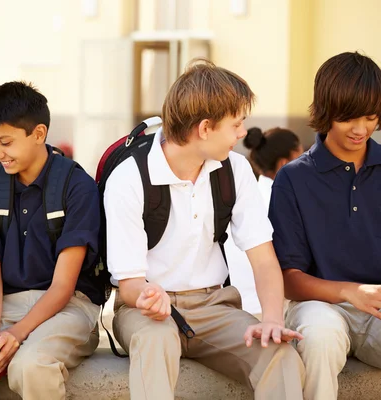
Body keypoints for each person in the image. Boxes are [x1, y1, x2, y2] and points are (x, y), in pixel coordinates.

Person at [104, 60, 305, 400]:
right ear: (205, 128)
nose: (243, 133)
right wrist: (149, 298)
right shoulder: (129, 177)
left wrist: (271, 319)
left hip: (215, 305)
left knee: (280, 355)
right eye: (236, 124)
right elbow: (129, 286)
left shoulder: (235, 170)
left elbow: (264, 258)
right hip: (146, 312)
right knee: (155, 341)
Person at [0, 81, 103, 400]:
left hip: (67, 307)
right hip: (0, 305)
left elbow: (64, 286)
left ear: (39, 134)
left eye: (6, 142)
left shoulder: (77, 187)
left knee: (30, 364)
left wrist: (16, 334)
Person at [269, 51, 381, 400]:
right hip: (318, 307)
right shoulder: (292, 179)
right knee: (318, 337)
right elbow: (289, 280)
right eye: (349, 118)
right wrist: (350, 292)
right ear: (326, 111)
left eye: (371, 116)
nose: (361, 129)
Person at [226, 127, 303, 317]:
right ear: (285, 164)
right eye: (301, 159)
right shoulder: (282, 202)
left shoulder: (246, 196)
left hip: (236, 306)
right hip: (266, 310)